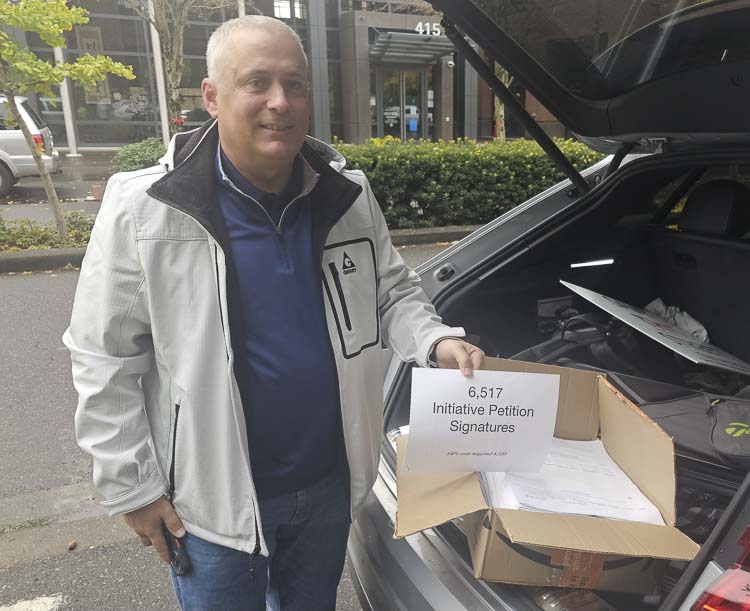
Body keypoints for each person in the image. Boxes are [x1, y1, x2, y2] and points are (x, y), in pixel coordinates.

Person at [64, 15, 484, 611]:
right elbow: (103, 354)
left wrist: (436, 341)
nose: (279, 103)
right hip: (211, 507)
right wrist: (133, 488)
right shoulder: (147, 208)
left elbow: (390, 292)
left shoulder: (347, 195)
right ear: (212, 96)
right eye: (256, 82)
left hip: (328, 487)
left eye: (295, 84)